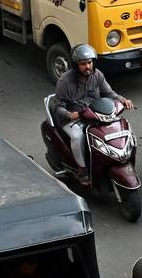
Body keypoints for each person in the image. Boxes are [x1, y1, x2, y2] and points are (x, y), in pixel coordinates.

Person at [53, 44, 133, 181]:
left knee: (110, 130)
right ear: (75, 65)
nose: (87, 67)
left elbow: (109, 93)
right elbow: (57, 106)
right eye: (83, 64)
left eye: (89, 63)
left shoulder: (97, 75)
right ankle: (82, 168)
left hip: (94, 114)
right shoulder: (64, 81)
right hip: (73, 119)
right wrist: (69, 114)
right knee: (78, 137)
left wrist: (123, 100)